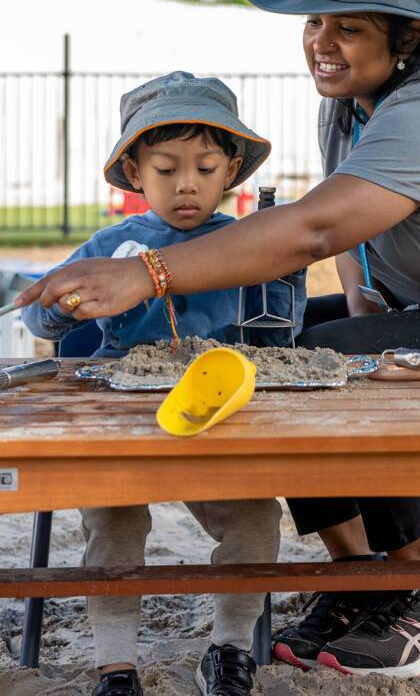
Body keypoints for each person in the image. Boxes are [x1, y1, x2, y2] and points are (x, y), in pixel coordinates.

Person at [17, 0, 420, 680]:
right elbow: (355, 246)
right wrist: (355, 313)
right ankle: (359, 578)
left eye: (348, 28)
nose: (322, 43)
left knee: (334, 363)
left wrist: (150, 275)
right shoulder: (353, 105)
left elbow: (314, 228)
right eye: (314, 24)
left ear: (409, 36)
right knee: (272, 353)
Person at [22, 71, 304, 696]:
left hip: (217, 415)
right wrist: (60, 308)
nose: (187, 184)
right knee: (112, 521)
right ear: (134, 170)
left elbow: (280, 337)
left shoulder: (249, 244)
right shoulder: (112, 244)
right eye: (167, 168)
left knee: (257, 521)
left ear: (232, 170)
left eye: (206, 168)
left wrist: (287, 282)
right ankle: (116, 664)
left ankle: (228, 650)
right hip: (126, 414)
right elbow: (39, 315)